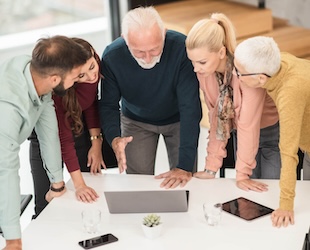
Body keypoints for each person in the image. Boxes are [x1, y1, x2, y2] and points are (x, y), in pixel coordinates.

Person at [0, 35, 89, 250]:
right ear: (56, 79)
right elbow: (7, 173)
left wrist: (57, 185)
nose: (78, 80)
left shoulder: (37, 74)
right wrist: (13, 240)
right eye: (76, 76)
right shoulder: (8, 110)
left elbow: (49, 135)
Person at [99, 6, 202, 188]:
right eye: (138, 52)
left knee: (184, 180)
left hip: (179, 120)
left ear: (164, 34)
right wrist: (114, 138)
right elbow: (108, 105)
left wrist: (184, 166)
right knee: (139, 184)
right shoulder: (112, 56)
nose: (147, 59)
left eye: (154, 49)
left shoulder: (181, 49)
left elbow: (190, 108)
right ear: (125, 40)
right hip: (135, 121)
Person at [185, 13, 280, 190]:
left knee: (270, 190)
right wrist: (210, 168)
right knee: (249, 195)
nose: (196, 68)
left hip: (269, 136)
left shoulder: (247, 72)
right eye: (193, 62)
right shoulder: (204, 74)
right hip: (240, 135)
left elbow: (248, 125)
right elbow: (216, 118)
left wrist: (242, 175)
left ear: (221, 52)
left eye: (202, 62)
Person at [28, 38, 117, 218]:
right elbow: (63, 138)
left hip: (78, 125)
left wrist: (96, 143)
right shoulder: (59, 91)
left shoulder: (92, 63)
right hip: (46, 135)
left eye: (92, 67)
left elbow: (91, 103)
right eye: (81, 76)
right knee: (46, 204)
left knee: (87, 197)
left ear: (93, 52)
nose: (91, 77)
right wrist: (79, 185)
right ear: (71, 75)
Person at [233, 36, 310, 228]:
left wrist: (285, 205)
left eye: (239, 73)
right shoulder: (279, 62)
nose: (236, 76)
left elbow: (289, 153)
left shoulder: (289, 93)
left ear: (260, 78)